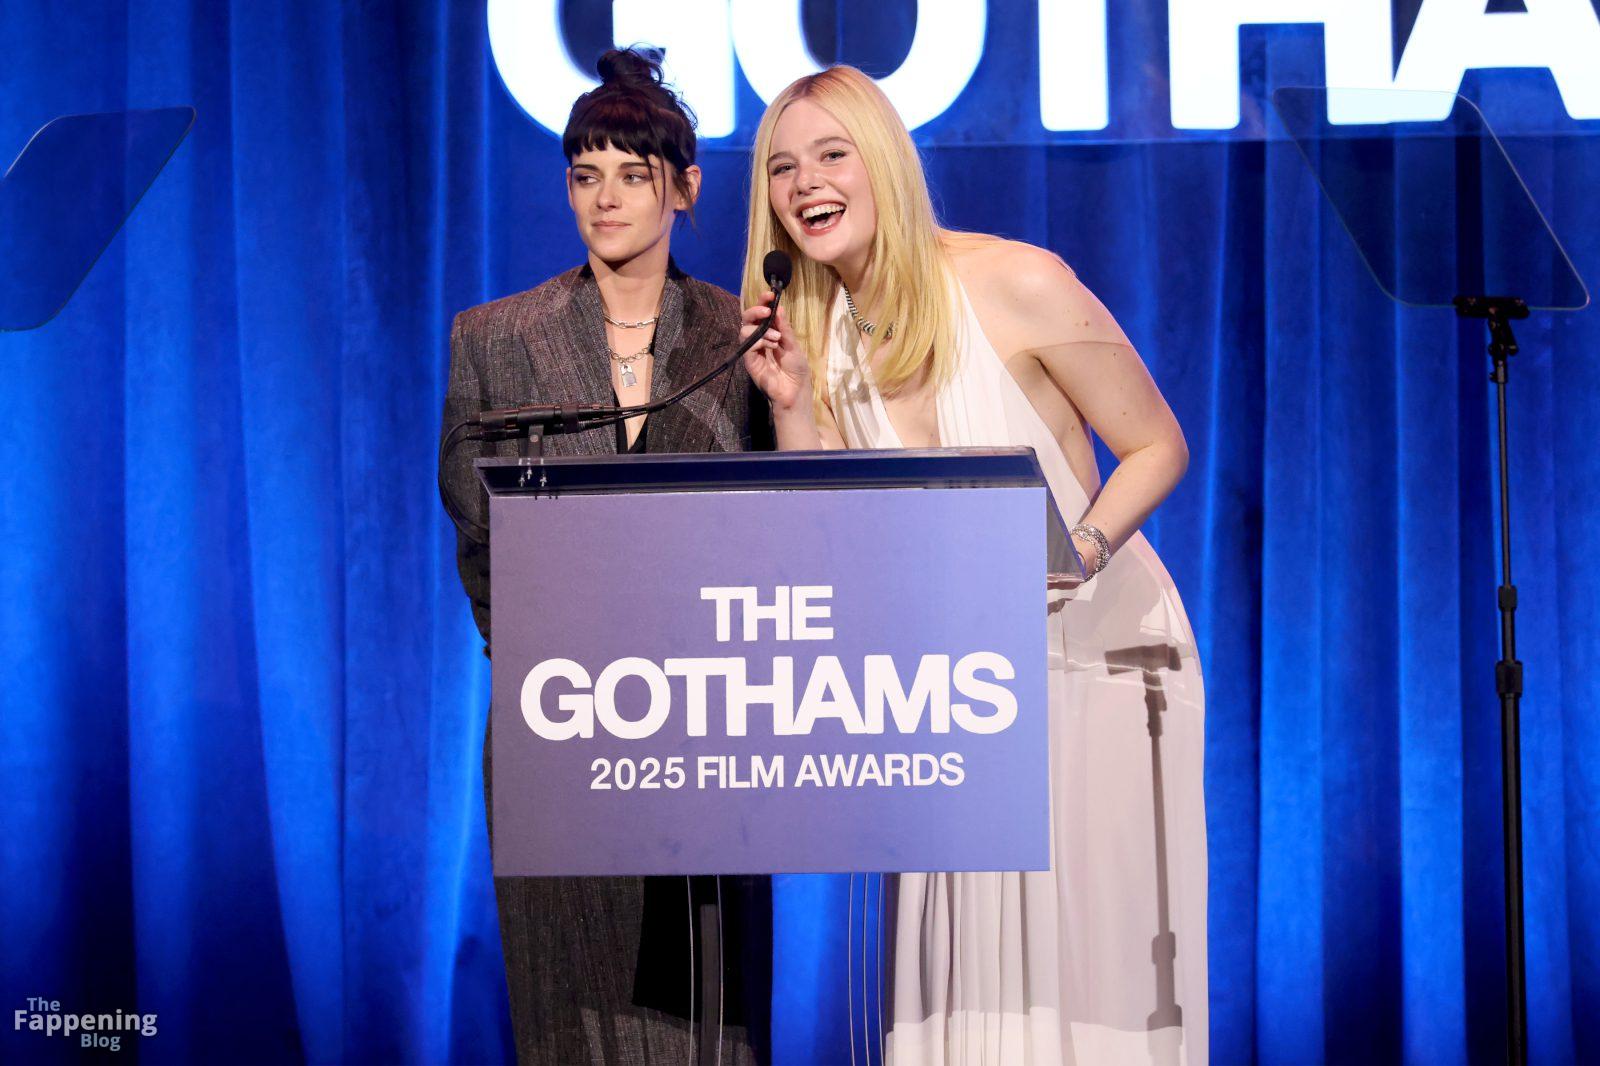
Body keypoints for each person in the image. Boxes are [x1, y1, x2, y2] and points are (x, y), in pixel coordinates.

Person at [738, 66, 1208, 1065]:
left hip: (1097, 661)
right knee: (965, 987)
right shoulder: (816, 334)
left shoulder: (1016, 282)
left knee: (1089, 979)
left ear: (884, 163)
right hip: (956, 687)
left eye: (831, 154)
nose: (805, 182)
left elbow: (1158, 444)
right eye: (781, 167)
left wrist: (1075, 555)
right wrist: (791, 404)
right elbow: (828, 532)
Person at [440, 48, 769, 1065]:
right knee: (569, 1016)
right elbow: (476, 530)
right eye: (586, 175)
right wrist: (547, 664)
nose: (605, 198)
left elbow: (786, 523)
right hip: (562, 714)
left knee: (706, 1022)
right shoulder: (496, 337)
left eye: (633, 174)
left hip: (711, 728)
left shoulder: (745, 338)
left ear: (685, 188)